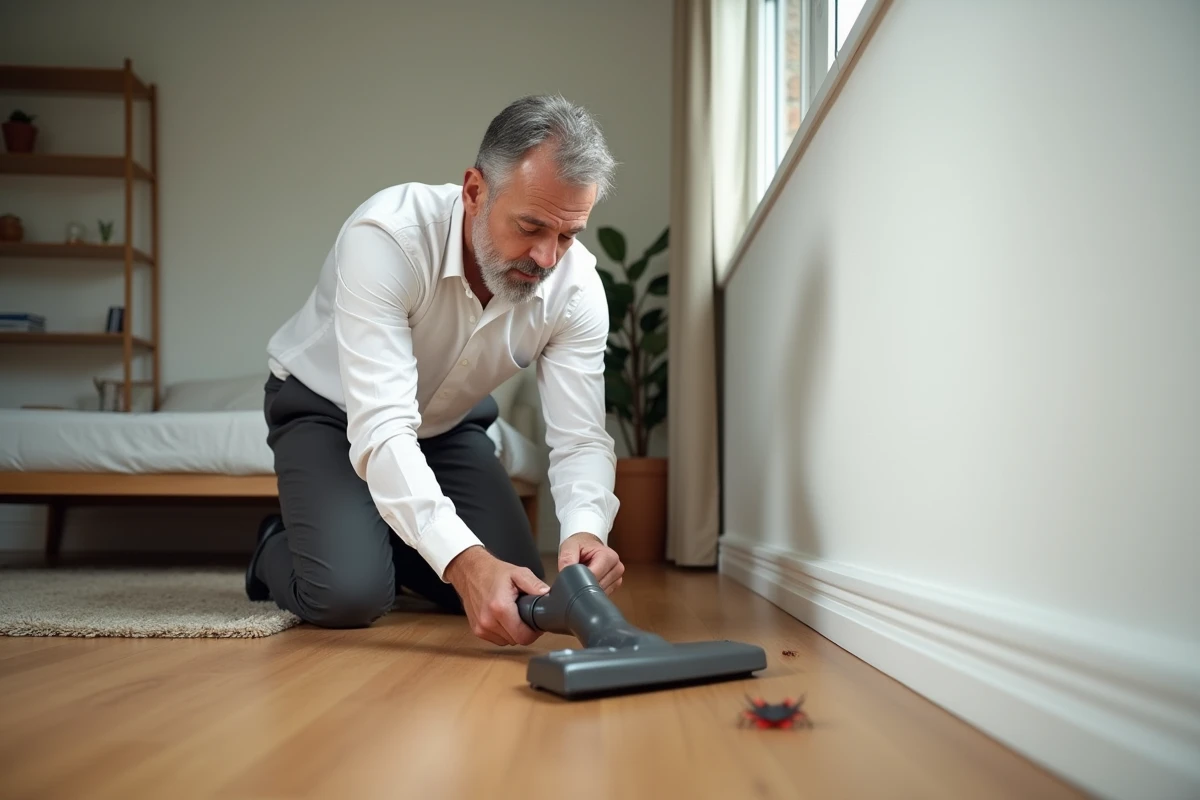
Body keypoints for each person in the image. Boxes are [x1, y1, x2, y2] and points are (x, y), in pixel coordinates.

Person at [246, 95, 624, 647]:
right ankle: (277, 546)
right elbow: (382, 428)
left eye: (568, 235)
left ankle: (369, 535)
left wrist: (586, 529)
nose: (547, 258)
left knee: (518, 585)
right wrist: (464, 562)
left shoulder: (577, 288)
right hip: (329, 412)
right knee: (349, 594)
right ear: (474, 192)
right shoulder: (386, 238)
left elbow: (581, 438)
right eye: (530, 226)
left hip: (447, 426)